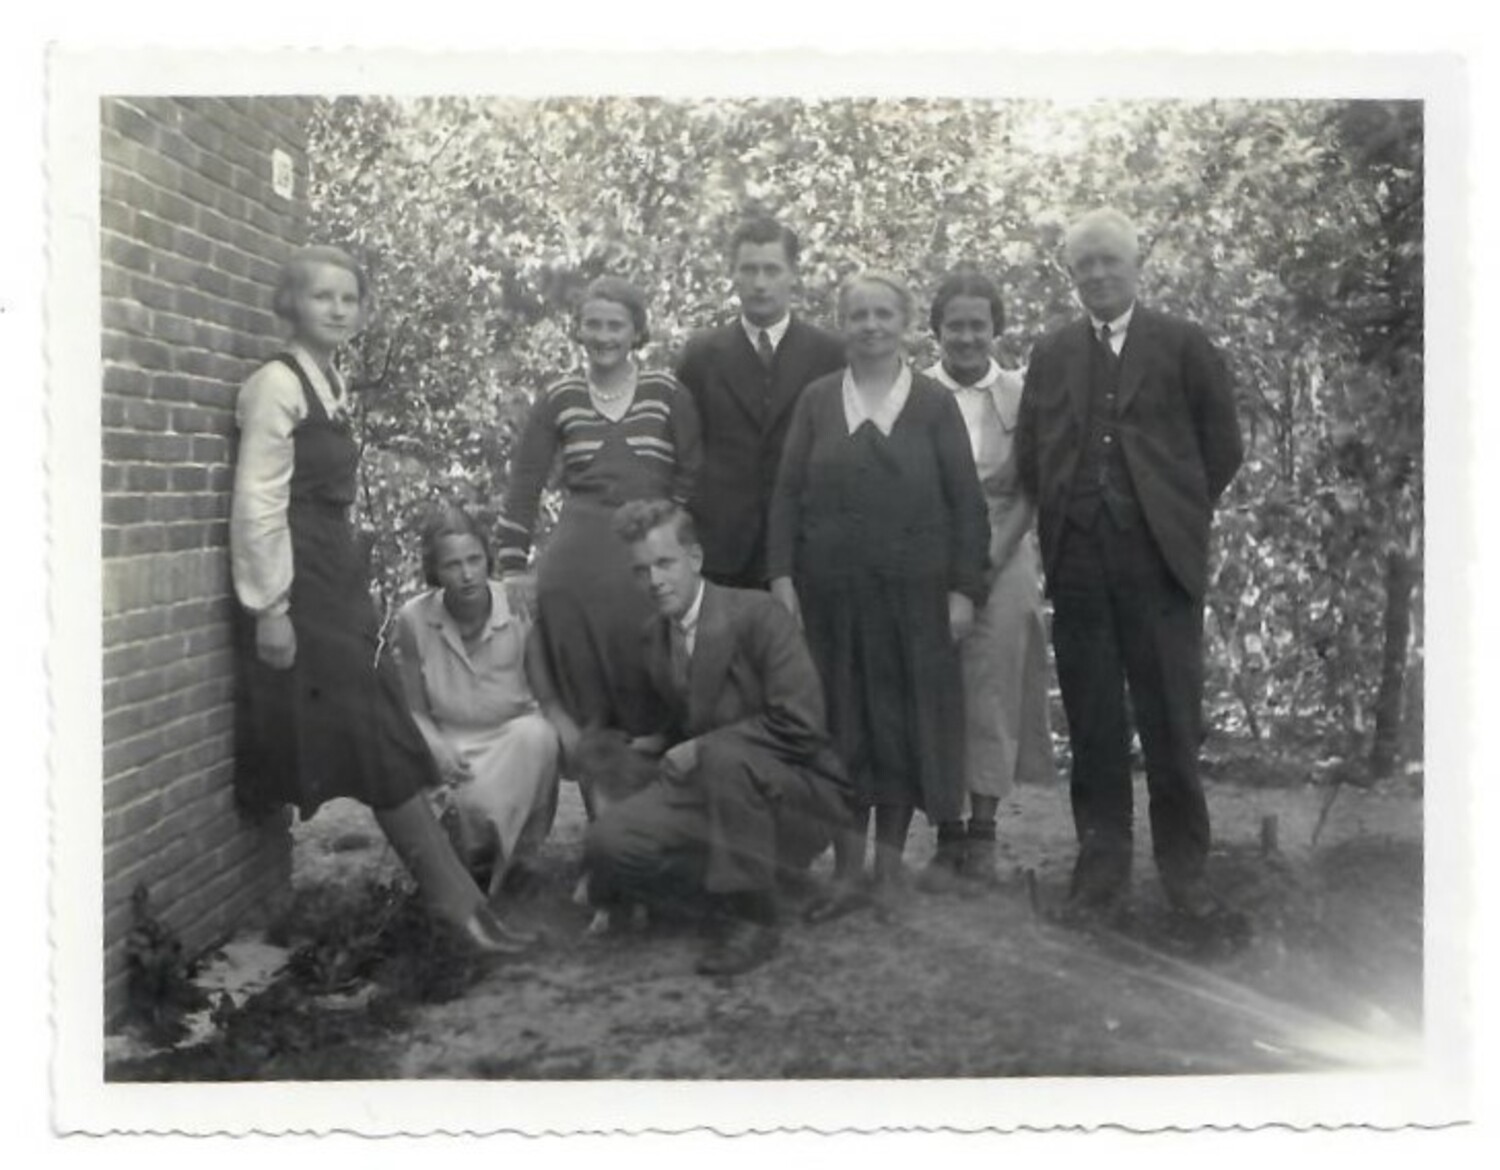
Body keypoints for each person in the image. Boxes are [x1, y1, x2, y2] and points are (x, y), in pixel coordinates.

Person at [230, 245, 532, 956]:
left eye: (349, 299)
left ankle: (459, 903)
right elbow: (257, 501)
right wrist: (269, 607)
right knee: (375, 734)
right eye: (322, 296)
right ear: (291, 304)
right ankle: (458, 910)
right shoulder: (276, 384)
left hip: (335, 572)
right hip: (300, 581)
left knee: (384, 728)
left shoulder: (329, 381)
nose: (337, 309)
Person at [1015, 208, 1244, 928]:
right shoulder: (1053, 352)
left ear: (1136, 265)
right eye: (1084, 264)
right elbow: (1032, 452)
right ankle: (1100, 876)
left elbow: (1223, 446)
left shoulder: (1182, 344)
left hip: (1159, 561)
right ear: (1071, 274)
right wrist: (1068, 513)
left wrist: (1170, 512)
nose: (1097, 274)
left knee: (1170, 721)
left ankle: (1186, 879)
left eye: (1109, 260)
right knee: (1092, 724)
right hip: (1079, 560)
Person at [767, 271, 990, 901]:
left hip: (913, 602)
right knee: (841, 727)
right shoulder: (817, 401)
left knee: (898, 728)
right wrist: (782, 579)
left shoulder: (933, 403)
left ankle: (887, 869)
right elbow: (785, 496)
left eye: (883, 314)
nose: (871, 326)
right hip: (831, 599)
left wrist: (963, 592)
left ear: (905, 323)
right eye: (859, 314)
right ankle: (845, 870)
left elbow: (967, 506)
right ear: (843, 324)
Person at [585, 500, 861, 975]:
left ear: (695, 558)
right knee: (609, 842)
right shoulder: (655, 636)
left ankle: (754, 919)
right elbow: (696, 713)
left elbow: (801, 722)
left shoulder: (758, 613)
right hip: (718, 791)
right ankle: (727, 888)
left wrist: (701, 748)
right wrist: (656, 742)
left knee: (724, 759)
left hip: (797, 794)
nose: (655, 581)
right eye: (642, 570)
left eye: (665, 563)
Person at [495, 276, 703, 756]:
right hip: (579, 554)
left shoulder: (666, 391)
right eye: (593, 325)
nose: (604, 336)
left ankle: (657, 776)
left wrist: (674, 539)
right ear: (578, 328)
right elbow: (525, 482)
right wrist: (512, 565)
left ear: (637, 331)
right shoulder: (559, 396)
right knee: (581, 672)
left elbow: (694, 473)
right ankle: (597, 778)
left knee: (654, 660)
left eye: (615, 326)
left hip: (647, 548)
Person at [921, 269, 1055, 889]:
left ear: (996, 329)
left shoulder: (1023, 395)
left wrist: (989, 563)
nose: (967, 337)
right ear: (937, 330)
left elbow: (1031, 491)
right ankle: (945, 834)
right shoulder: (914, 393)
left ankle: (983, 835)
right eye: (955, 326)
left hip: (1003, 552)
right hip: (927, 556)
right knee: (936, 691)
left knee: (992, 689)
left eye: (979, 325)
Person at [394, 505, 561, 904]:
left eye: (474, 560)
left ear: (488, 558)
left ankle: (514, 863)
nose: (467, 574)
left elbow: (546, 697)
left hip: (509, 740)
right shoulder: (414, 619)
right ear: (435, 570)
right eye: (452, 565)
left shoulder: (517, 608)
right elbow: (414, 710)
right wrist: (435, 745)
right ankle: (466, 869)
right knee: (452, 813)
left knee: (539, 735)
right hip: (451, 742)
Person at [675, 217, 845, 589]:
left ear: (793, 274)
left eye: (772, 269)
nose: (760, 283)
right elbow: (682, 448)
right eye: (749, 270)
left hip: (803, 549)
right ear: (733, 274)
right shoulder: (702, 354)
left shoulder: (830, 354)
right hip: (720, 550)